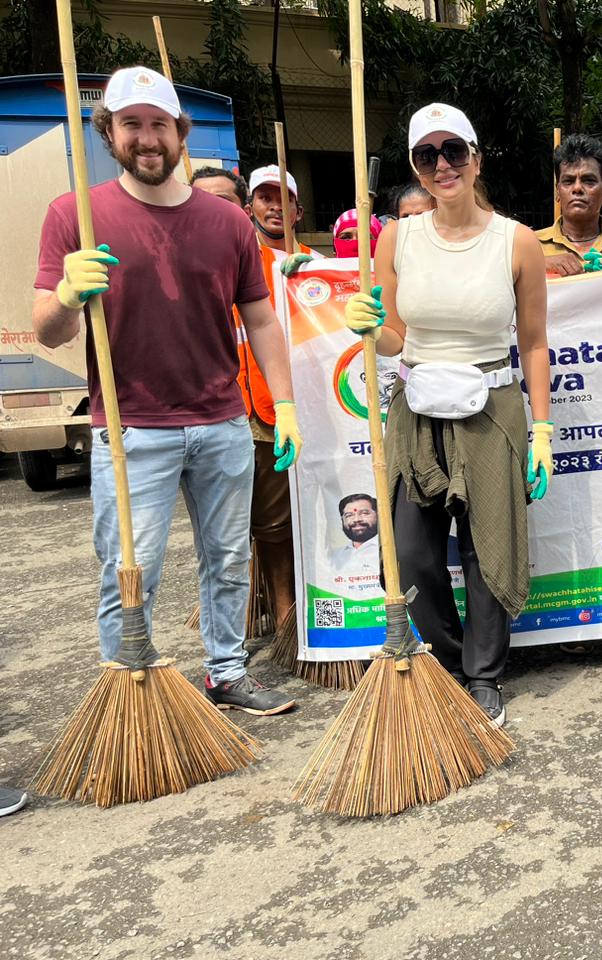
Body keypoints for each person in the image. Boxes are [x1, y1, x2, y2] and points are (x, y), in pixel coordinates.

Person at [33, 67, 302, 715]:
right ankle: (131, 688)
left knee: (229, 559)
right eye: (132, 125)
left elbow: (260, 318)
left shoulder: (226, 223)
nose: (147, 138)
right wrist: (70, 291)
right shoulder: (75, 214)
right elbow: (48, 327)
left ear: (180, 133)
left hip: (221, 421)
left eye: (159, 124)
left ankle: (227, 672)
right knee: (131, 570)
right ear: (110, 132)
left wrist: (286, 403)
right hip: (131, 428)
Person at [341, 103, 552, 726]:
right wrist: (371, 327)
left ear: (476, 157)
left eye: (453, 150)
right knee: (412, 552)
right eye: (426, 155)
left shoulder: (516, 240)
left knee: (488, 550)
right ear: (415, 166)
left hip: (493, 405)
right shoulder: (396, 237)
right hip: (417, 407)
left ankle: (485, 677)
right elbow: (396, 338)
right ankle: (449, 662)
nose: (442, 165)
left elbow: (534, 341)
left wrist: (541, 429)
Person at [239, 164, 316, 642]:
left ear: (297, 209)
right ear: (250, 208)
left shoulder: (314, 262)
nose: (274, 206)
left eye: (282, 197)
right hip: (261, 408)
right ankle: (283, 613)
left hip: (317, 408)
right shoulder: (237, 261)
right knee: (272, 520)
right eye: (264, 198)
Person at [536, 133, 602, 276]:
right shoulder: (532, 246)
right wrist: (541, 264)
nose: (577, 188)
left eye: (588, 180)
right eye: (568, 181)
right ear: (557, 191)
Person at [328, 492, 381, 596]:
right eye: (349, 515)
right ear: (342, 520)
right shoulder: (335, 557)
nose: (356, 519)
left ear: (378, 515)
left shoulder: (390, 550)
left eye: (364, 513)